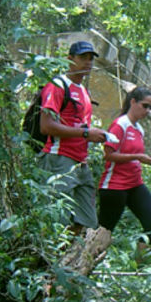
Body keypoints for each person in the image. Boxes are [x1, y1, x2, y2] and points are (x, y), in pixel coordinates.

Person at [39, 41, 107, 235]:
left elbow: (79, 125)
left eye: (90, 58)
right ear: (69, 59)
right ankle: (46, 262)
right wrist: (86, 133)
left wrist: (95, 135)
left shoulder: (84, 92)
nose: (88, 62)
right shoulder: (58, 85)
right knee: (55, 222)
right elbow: (46, 126)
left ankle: (70, 260)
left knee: (87, 221)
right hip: (59, 159)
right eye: (83, 57)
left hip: (80, 163)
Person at [98, 87, 151, 261]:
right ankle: (86, 264)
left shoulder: (139, 129)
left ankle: (138, 267)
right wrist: (137, 156)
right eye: (144, 106)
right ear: (132, 102)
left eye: (150, 107)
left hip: (135, 185)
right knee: (104, 231)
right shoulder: (120, 125)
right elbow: (109, 154)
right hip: (114, 186)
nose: (147, 111)